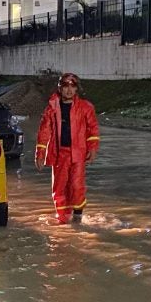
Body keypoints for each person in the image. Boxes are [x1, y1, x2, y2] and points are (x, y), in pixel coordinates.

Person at [35, 72, 100, 224]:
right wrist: (40, 154)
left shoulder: (85, 107)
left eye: (73, 86)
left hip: (78, 153)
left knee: (77, 186)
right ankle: (63, 220)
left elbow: (93, 129)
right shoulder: (52, 108)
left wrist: (93, 148)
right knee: (59, 188)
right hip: (59, 154)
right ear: (60, 88)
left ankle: (77, 218)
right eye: (65, 86)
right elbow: (44, 131)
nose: (69, 90)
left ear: (77, 89)